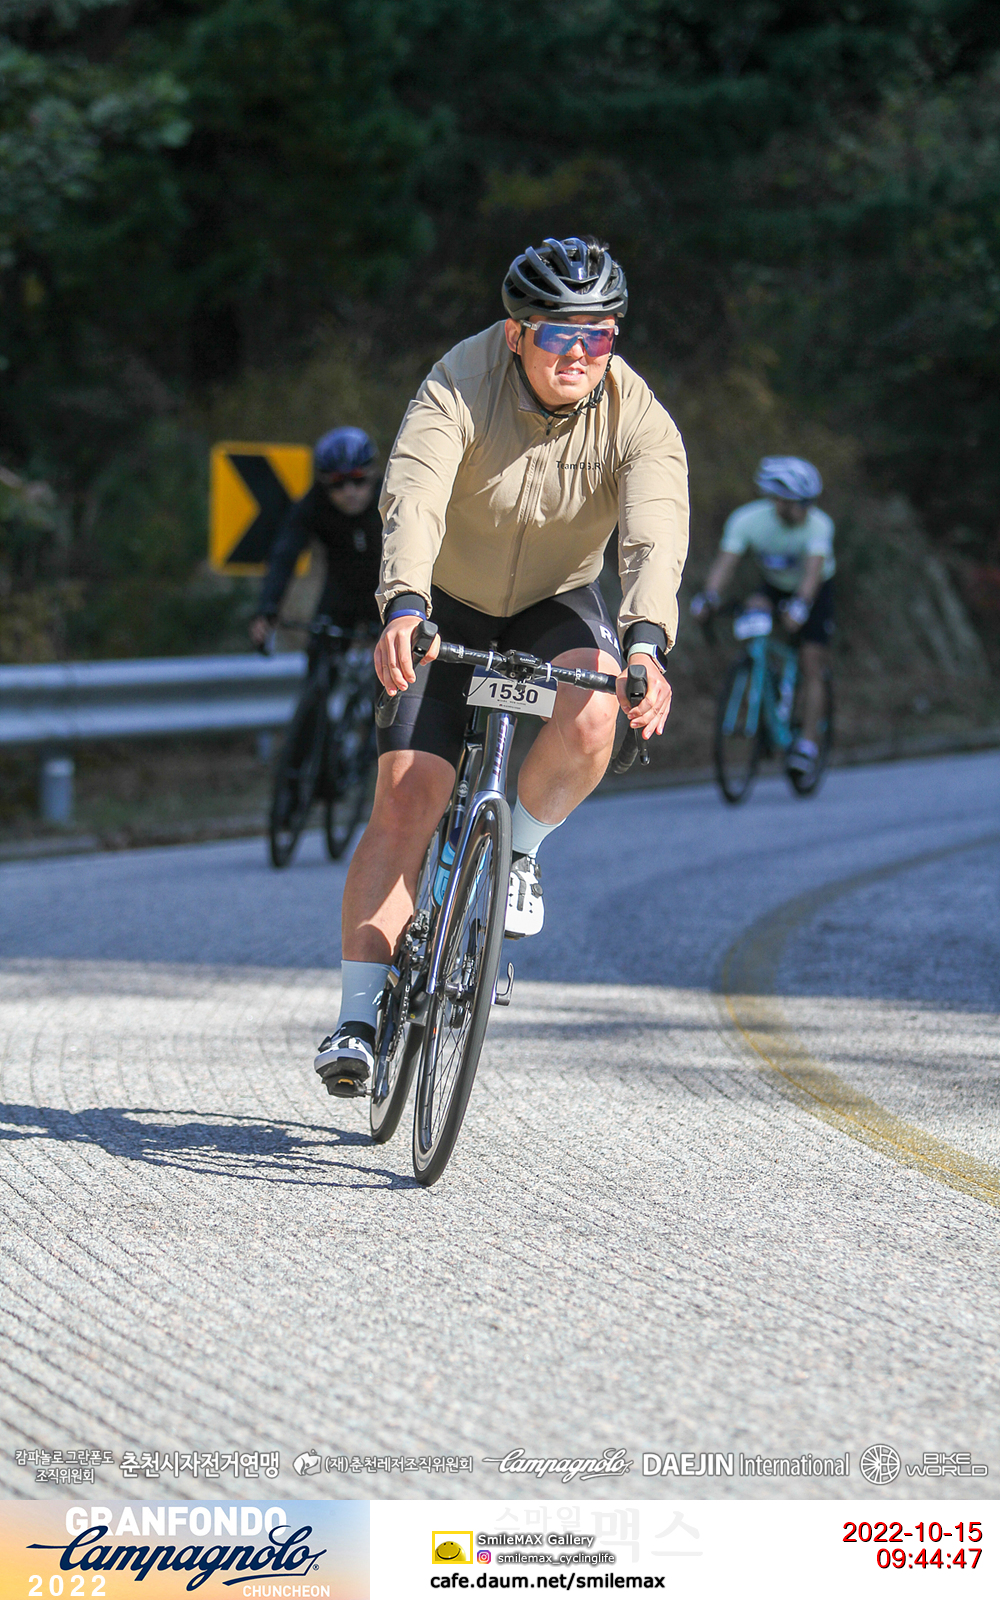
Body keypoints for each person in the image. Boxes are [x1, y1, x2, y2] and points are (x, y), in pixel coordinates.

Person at [315, 234, 690, 1098]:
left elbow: (655, 533)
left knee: (594, 716)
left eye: (599, 335)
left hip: (556, 599)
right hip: (445, 600)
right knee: (406, 799)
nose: (580, 354)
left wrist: (646, 642)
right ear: (517, 333)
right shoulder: (458, 381)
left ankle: (517, 851)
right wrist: (404, 603)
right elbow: (413, 495)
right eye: (560, 334)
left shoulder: (636, 414)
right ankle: (357, 1021)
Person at [690, 456, 834, 779]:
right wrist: (709, 596)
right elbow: (726, 563)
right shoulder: (748, 520)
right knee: (754, 611)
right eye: (800, 504)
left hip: (815, 589)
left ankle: (808, 743)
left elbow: (813, 573)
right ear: (779, 501)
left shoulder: (819, 524)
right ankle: (763, 677)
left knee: (812, 660)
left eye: (809, 503)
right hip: (773, 586)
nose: (807, 510)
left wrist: (801, 606)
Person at [248, 426, 382, 647]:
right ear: (323, 483)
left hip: (386, 592)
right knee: (319, 654)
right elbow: (285, 555)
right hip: (339, 593)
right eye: (337, 482)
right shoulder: (313, 504)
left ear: (373, 474)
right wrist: (267, 608)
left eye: (358, 479)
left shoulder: (392, 499)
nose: (349, 492)